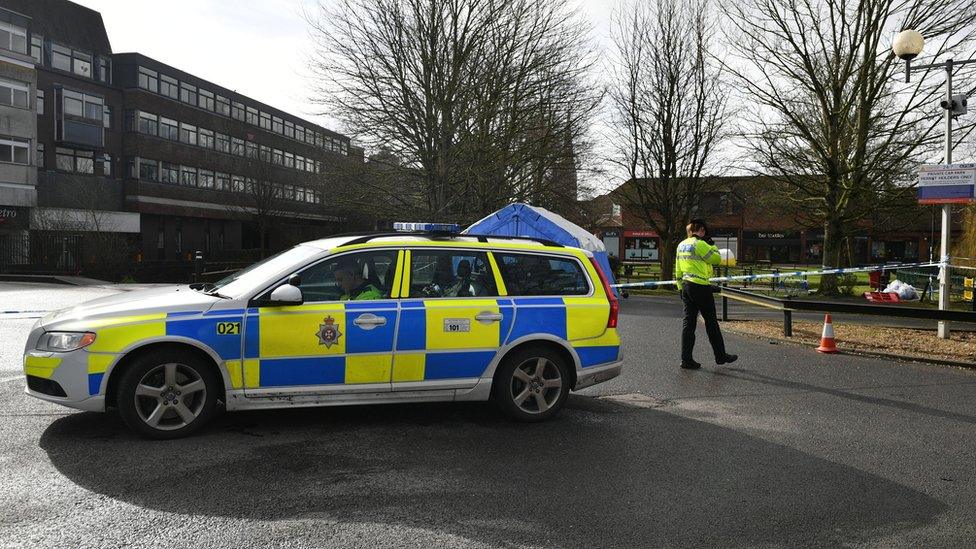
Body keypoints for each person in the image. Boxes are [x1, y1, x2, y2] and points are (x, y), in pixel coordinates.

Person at [674, 220, 738, 369]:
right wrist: (712, 245)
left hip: (686, 286)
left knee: (688, 324)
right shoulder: (700, 244)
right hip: (701, 286)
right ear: (701, 230)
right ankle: (721, 356)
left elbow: (677, 268)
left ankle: (686, 359)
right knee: (711, 323)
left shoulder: (681, 245)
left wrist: (679, 287)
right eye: (704, 231)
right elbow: (716, 259)